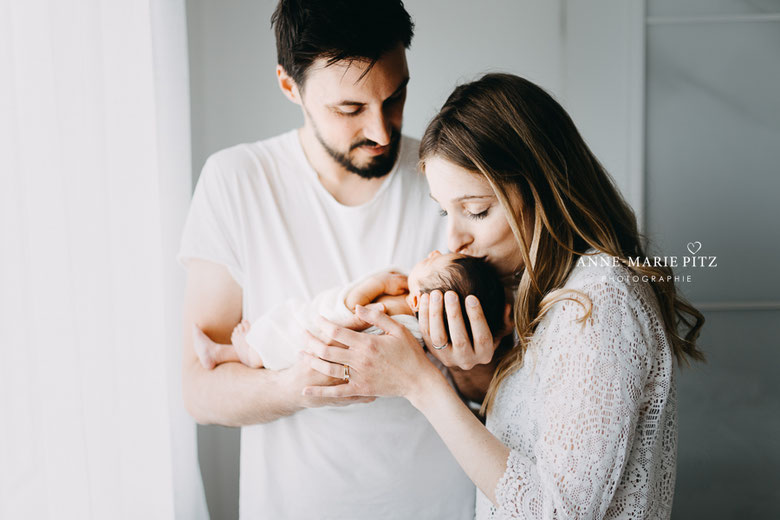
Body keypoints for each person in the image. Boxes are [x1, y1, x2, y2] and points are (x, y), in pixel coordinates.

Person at [302, 73, 706, 519]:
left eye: (476, 210)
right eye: (445, 210)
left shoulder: (599, 305)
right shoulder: (553, 296)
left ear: (542, 188)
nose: (453, 239)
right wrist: (468, 369)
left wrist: (422, 385)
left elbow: (558, 513)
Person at [178, 1, 497, 518]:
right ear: (290, 87)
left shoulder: (452, 188)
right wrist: (301, 384)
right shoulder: (237, 181)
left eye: (395, 97)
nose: (382, 130)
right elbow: (199, 388)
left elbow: (499, 387)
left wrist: (465, 370)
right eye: (350, 110)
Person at [191, 251, 507, 371]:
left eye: (434, 261)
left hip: (317, 335)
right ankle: (227, 352)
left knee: (285, 334)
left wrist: (374, 283)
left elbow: (352, 311)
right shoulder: (411, 312)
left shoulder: (398, 311)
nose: (435, 251)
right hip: (325, 340)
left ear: (417, 304)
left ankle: (238, 353)